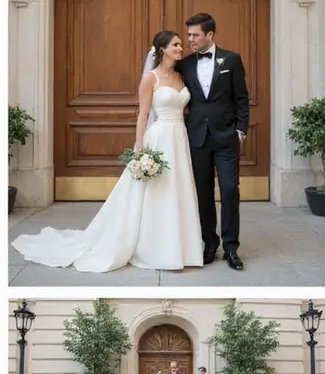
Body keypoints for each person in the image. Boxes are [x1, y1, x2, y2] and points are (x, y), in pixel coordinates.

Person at [12, 31, 204, 272]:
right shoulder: (150, 78)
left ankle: (181, 247)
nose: (180, 47)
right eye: (175, 44)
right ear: (162, 49)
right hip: (160, 137)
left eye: (180, 44)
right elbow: (142, 116)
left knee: (178, 189)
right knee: (157, 191)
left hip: (180, 138)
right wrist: (140, 151)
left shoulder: (181, 76)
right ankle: (154, 247)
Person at [177, 12, 250, 270]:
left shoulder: (231, 59)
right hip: (197, 137)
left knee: (230, 190)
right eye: (188, 35)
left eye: (195, 35)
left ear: (210, 35)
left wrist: (240, 130)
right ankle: (209, 244)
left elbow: (241, 97)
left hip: (226, 136)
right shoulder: (184, 64)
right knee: (203, 193)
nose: (190, 40)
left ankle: (231, 248)